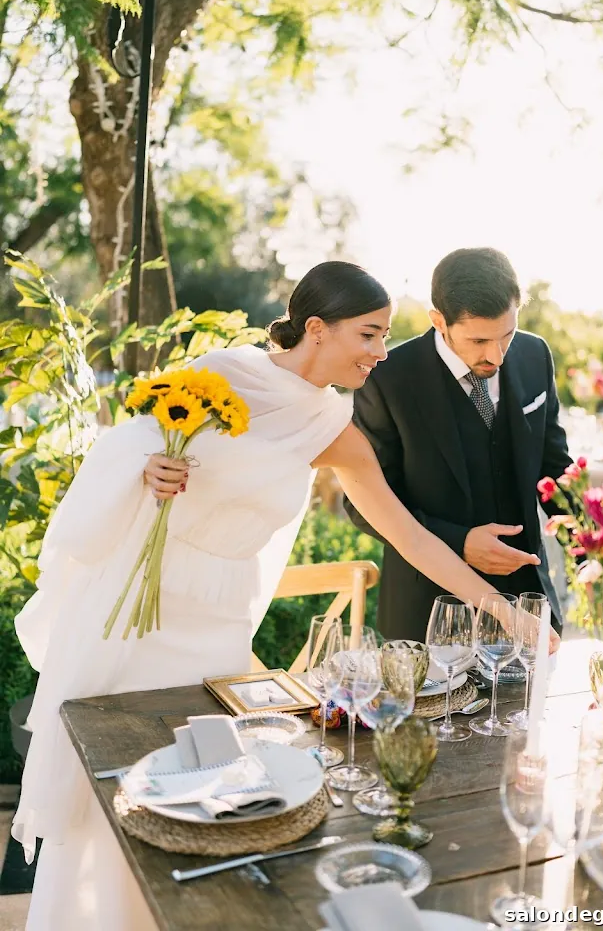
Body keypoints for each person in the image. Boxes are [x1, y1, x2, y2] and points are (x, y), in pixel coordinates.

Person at [12, 260, 539, 931]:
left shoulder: (331, 425)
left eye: (384, 338)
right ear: (316, 328)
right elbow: (129, 437)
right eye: (369, 335)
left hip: (218, 628)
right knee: (113, 786)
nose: (381, 353)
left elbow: (409, 536)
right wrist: (146, 466)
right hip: (137, 612)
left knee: (197, 800)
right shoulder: (222, 373)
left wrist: (500, 612)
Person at [345, 248, 573, 641]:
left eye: (507, 335)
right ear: (439, 321)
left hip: (529, 603)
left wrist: (591, 554)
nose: (496, 355)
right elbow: (364, 505)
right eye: (479, 340)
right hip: (427, 613)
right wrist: (460, 543)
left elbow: (555, 469)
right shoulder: (387, 379)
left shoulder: (535, 355)